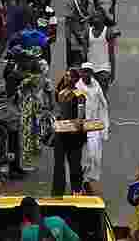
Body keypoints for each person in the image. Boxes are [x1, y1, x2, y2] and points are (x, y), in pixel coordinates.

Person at [76, 62, 110, 196]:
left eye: (89, 71)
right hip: (82, 127)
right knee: (86, 156)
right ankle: (83, 182)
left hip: (95, 126)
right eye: (84, 71)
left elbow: (103, 106)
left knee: (95, 157)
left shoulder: (96, 86)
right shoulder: (77, 87)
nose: (86, 74)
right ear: (81, 73)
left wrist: (104, 127)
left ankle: (87, 180)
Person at [51, 68, 86, 196]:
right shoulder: (61, 93)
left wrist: (78, 121)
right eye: (66, 76)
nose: (67, 78)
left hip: (74, 135)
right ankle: (57, 193)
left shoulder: (79, 95)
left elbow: (81, 116)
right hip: (60, 134)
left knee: (75, 164)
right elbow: (58, 111)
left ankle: (76, 191)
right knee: (58, 165)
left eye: (71, 77)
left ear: (76, 80)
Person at [64, 0, 90, 68]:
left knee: (84, 61)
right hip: (72, 36)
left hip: (85, 36)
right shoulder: (70, 1)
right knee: (72, 62)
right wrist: (79, 36)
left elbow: (91, 19)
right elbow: (69, 21)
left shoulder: (90, 2)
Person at [87, 15, 117, 91]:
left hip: (104, 68)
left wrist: (112, 71)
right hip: (91, 68)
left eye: (98, 17)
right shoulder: (87, 32)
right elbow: (84, 53)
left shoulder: (108, 32)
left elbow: (111, 53)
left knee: (102, 94)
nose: (96, 19)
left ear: (103, 19)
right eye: (94, 17)